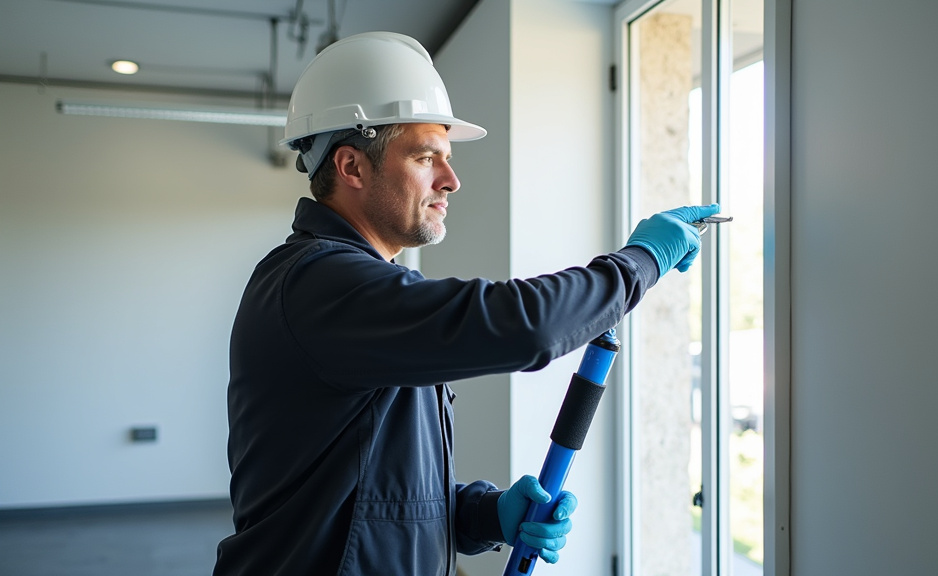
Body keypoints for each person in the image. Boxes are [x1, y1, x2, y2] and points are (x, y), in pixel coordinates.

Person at [212, 31, 719, 576]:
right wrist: (639, 261)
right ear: (352, 167)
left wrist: (484, 514)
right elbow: (528, 328)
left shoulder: (358, 293)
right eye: (426, 157)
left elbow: (376, 492)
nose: (451, 180)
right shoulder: (318, 284)